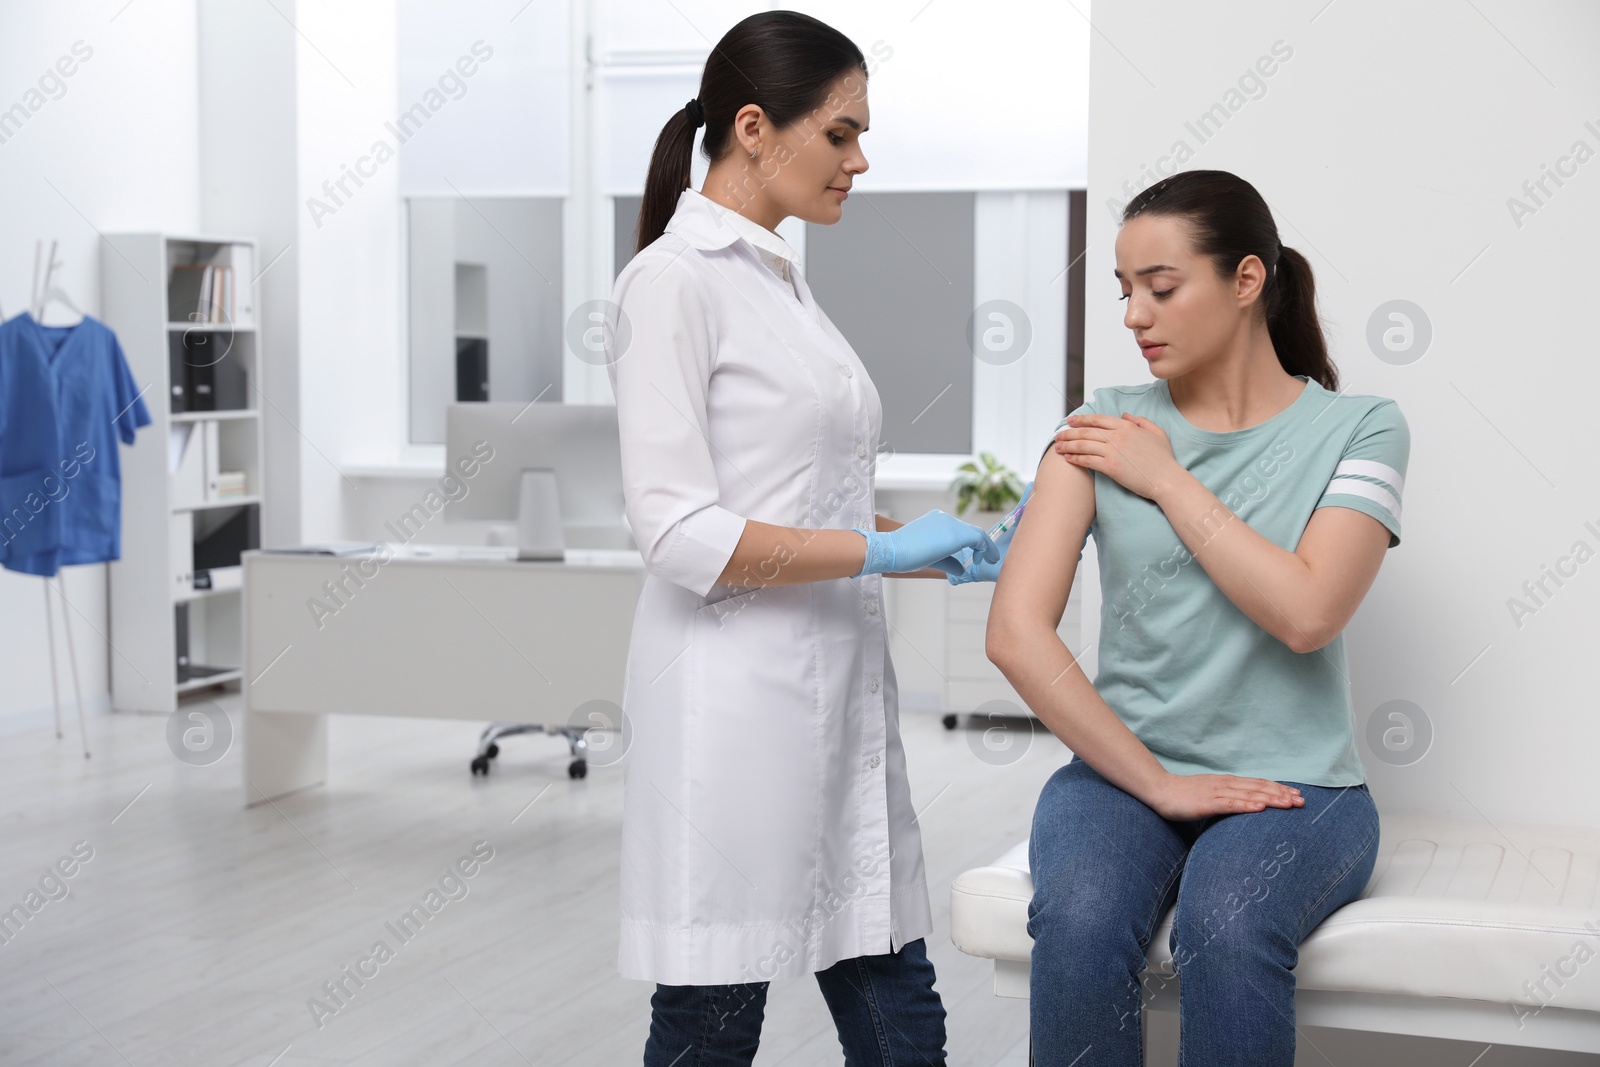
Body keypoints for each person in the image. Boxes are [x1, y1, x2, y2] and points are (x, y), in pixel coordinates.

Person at [603, 11, 1006, 1064]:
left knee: (895, 991)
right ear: (752, 127)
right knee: (714, 1011)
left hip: (837, 698)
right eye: (840, 132)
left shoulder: (780, 281)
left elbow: (794, 489)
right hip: (733, 709)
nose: (859, 160)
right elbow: (682, 531)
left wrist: (908, 534)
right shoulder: (672, 283)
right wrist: (876, 552)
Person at [988, 169, 1409, 1066]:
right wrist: (1156, 781)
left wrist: (1168, 480)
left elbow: (1307, 611)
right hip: (1119, 774)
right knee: (1081, 918)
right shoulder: (1101, 425)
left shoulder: (1363, 428)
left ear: (1247, 280)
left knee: (1226, 921)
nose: (1135, 315)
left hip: (1301, 788)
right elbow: (1016, 632)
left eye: (1161, 288)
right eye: (1124, 291)